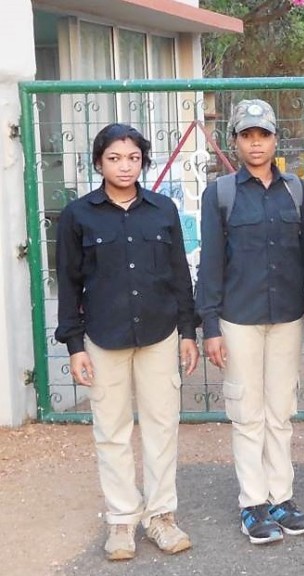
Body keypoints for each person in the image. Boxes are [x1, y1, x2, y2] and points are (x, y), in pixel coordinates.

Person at [55, 123, 199, 561]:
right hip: (103, 336)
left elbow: (179, 274)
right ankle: (121, 521)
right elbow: (69, 284)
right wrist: (75, 345)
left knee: (161, 426)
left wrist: (188, 332)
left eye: (133, 158)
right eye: (114, 158)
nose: (124, 166)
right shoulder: (78, 216)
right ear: (98, 162)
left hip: (159, 333)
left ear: (143, 162)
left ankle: (161, 517)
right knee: (112, 430)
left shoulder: (162, 209)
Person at [195, 99, 304, 545]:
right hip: (238, 319)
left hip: (286, 317)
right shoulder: (221, 194)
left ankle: (282, 498)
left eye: (263, 134)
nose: (256, 143)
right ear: (236, 141)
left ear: (275, 140)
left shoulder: (295, 191)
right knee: (246, 414)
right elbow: (210, 264)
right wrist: (209, 325)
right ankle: (253, 504)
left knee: (280, 412)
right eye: (247, 135)